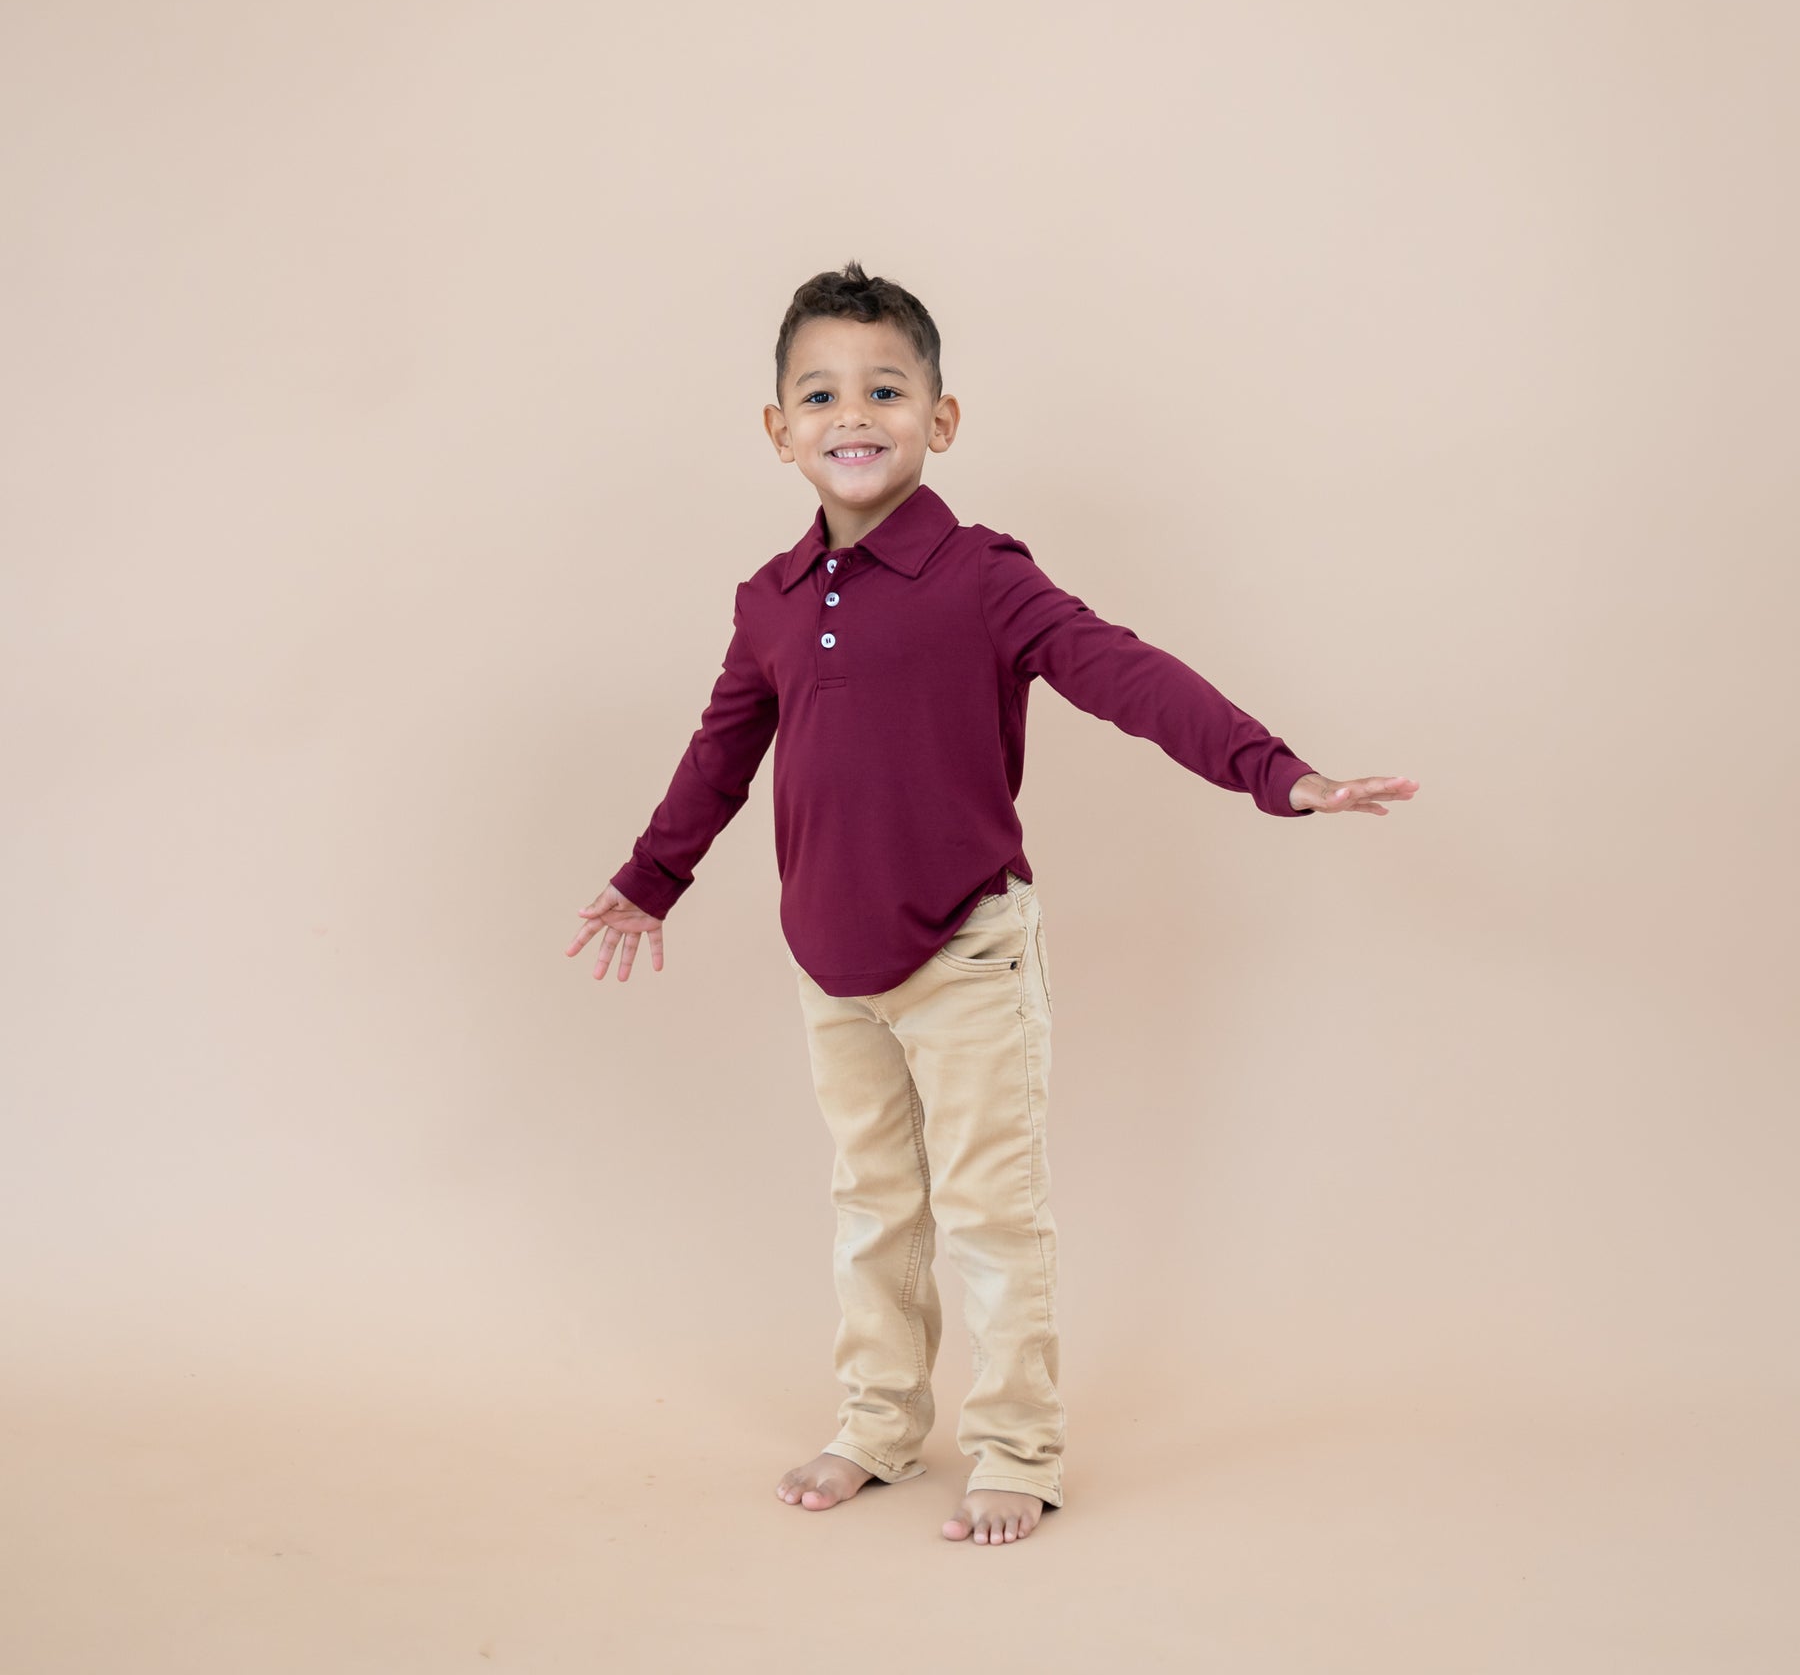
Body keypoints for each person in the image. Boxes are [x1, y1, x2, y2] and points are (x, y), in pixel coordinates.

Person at [565, 261, 1418, 1547]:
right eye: (822, 393)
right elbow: (721, 753)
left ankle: (1018, 1446)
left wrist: (1278, 774)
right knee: (873, 1208)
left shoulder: (982, 577)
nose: (855, 413)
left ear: (940, 419)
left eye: (887, 390)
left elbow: (1127, 674)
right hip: (830, 959)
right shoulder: (771, 602)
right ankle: (877, 1424)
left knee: (987, 1215)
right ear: (780, 429)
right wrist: (650, 879)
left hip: (966, 951)